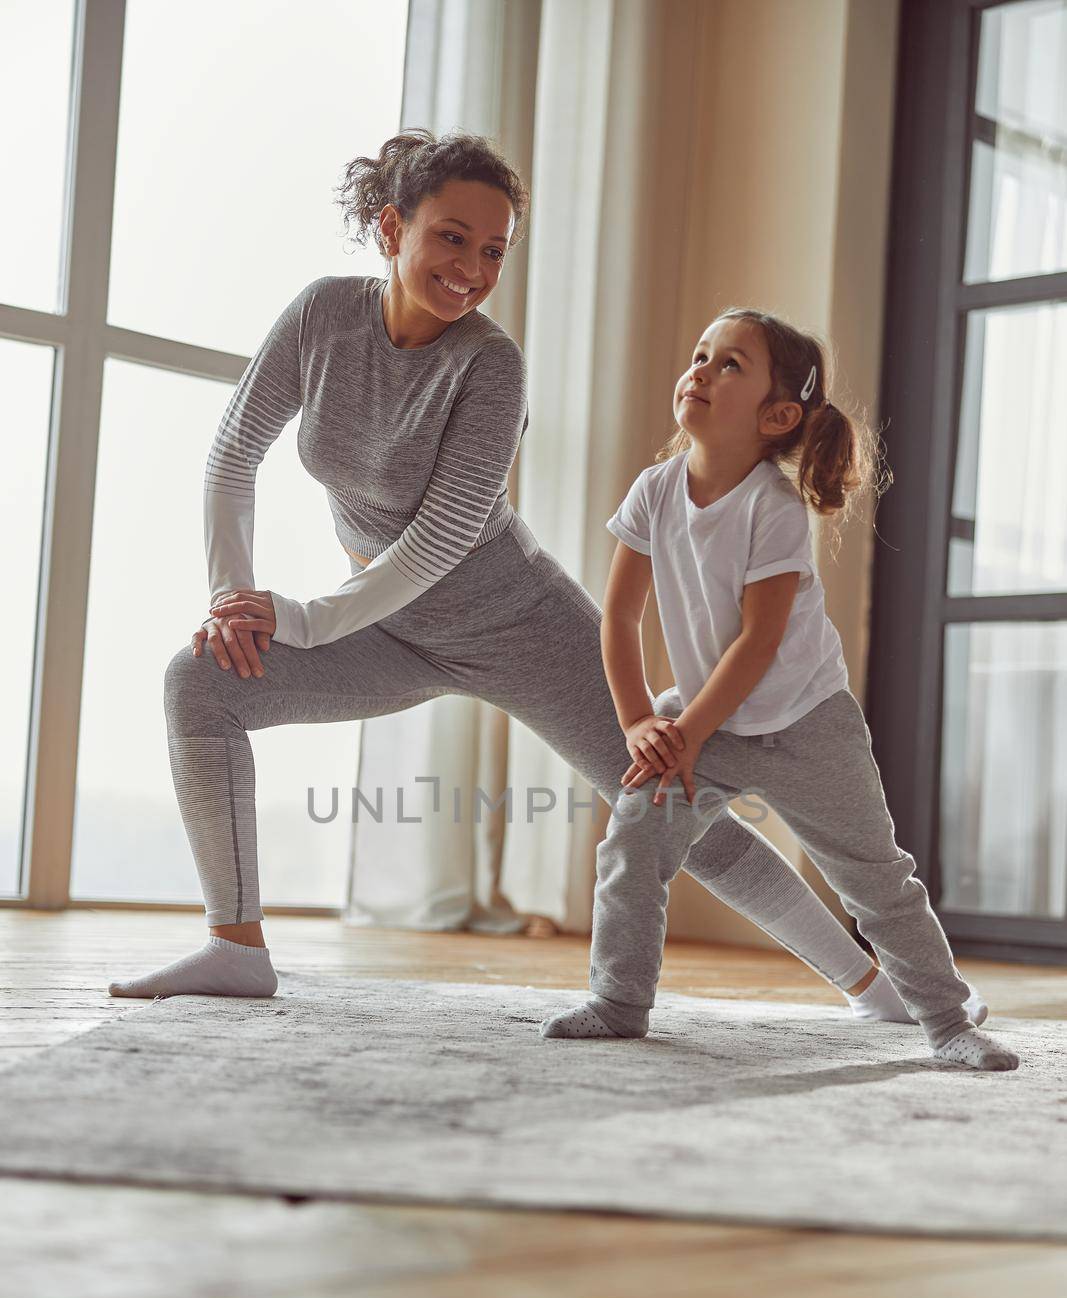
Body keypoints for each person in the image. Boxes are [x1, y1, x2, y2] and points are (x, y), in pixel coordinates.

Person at [107, 128, 973, 1029]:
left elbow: (441, 540)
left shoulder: (490, 364)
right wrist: (232, 602)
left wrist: (296, 616)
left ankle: (871, 988)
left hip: (516, 622)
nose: (472, 268)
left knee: (670, 799)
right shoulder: (322, 317)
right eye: (451, 237)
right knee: (198, 684)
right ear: (389, 227)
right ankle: (237, 947)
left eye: (493, 250)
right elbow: (232, 455)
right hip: (382, 626)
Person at [539, 307, 1016, 1071]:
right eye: (699, 354)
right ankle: (618, 1002)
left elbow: (758, 644)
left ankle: (948, 1023)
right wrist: (639, 723)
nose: (699, 370)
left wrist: (685, 733)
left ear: (779, 415)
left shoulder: (773, 506)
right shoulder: (654, 490)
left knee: (875, 879)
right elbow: (620, 616)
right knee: (633, 842)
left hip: (804, 722)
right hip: (701, 718)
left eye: (729, 363)